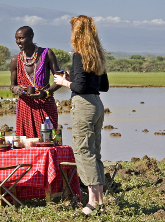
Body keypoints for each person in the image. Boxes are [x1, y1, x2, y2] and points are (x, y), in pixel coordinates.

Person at [54, 15, 109, 216]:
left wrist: (64, 82)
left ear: (76, 33)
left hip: (84, 105)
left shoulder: (79, 55)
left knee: (84, 151)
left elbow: (79, 87)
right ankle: (100, 200)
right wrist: (74, 79)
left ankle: (92, 202)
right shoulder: (97, 56)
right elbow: (104, 86)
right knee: (95, 150)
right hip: (97, 104)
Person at [10, 26, 62, 138]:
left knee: (49, 140)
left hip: (45, 104)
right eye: (16, 38)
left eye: (21, 38)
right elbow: (12, 86)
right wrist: (16, 89)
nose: (18, 42)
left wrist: (46, 92)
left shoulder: (47, 54)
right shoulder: (16, 60)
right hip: (25, 107)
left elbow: (60, 79)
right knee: (26, 142)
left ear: (31, 37)